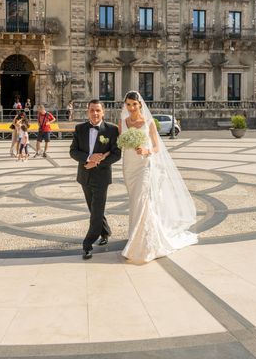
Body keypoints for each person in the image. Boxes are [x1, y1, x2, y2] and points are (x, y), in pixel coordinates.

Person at [119, 91, 198, 263]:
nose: (131, 107)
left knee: (142, 200)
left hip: (144, 166)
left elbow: (156, 147)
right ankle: (136, 235)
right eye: (128, 104)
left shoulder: (148, 122)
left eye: (134, 104)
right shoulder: (123, 122)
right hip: (129, 166)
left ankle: (141, 244)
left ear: (140, 104)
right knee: (135, 201)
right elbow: (121, 143)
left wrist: (147, 151)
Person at [69, 100, 121, 260]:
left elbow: (116, 154)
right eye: (92, 110)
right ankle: (105, 232)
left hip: (101, 177)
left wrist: (97, 162)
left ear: (103, 112)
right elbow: (73, 151)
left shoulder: (112, 130)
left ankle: (87, 244)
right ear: (88, 112)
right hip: (84, 175)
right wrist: (89, 158)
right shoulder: (80, 128)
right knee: (94, 209)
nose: (95, 113)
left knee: (96, 211)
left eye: (98, 110)